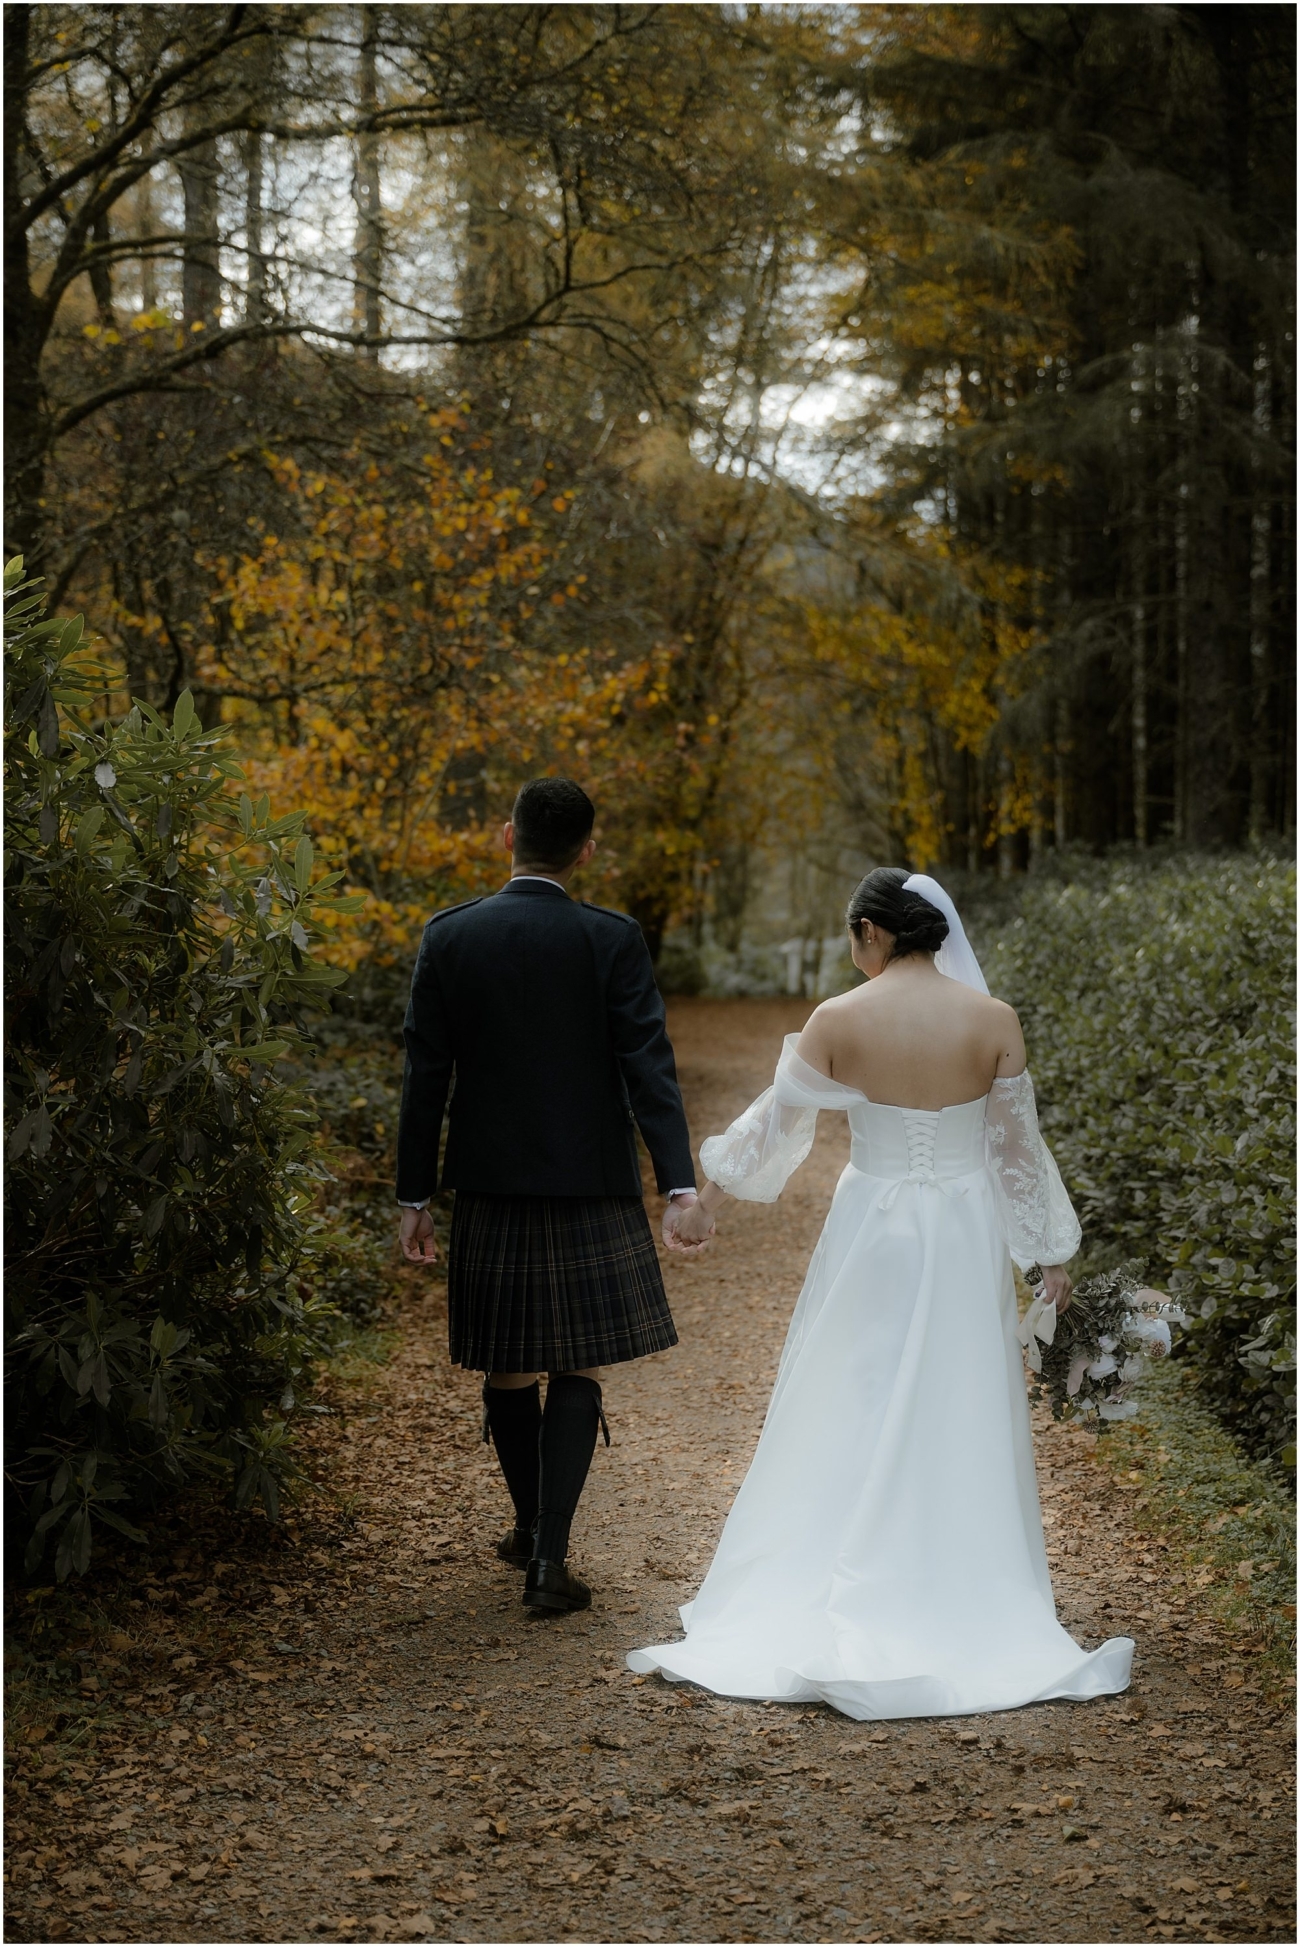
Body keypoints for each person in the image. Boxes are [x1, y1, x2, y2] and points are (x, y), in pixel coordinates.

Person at [636, 867, 1134, 1719]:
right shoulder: (994, 1021)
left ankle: (836, 1564)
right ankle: (955, 1577)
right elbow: (1016, 1148)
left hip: (873, 1224)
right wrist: (1048, 1253)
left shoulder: (839, 1018)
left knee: (852, 1387)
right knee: (957, 1393)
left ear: (873, 929)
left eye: (851, 935)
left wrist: (702, 1204)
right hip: (965, 1226)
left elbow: (777, 1119)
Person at [395, 778, 704, 1616]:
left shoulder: (450, 935)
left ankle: (531, 1528)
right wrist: (678, 1183)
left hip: (491, 1184)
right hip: (589, 1180)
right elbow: (649, 1063)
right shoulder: (612, 939)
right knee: (578, 1358)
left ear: (507, 837)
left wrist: (413, 1193)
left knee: (508, 1361)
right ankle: (549, 1559)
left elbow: (426, 1076)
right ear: (587, 851)